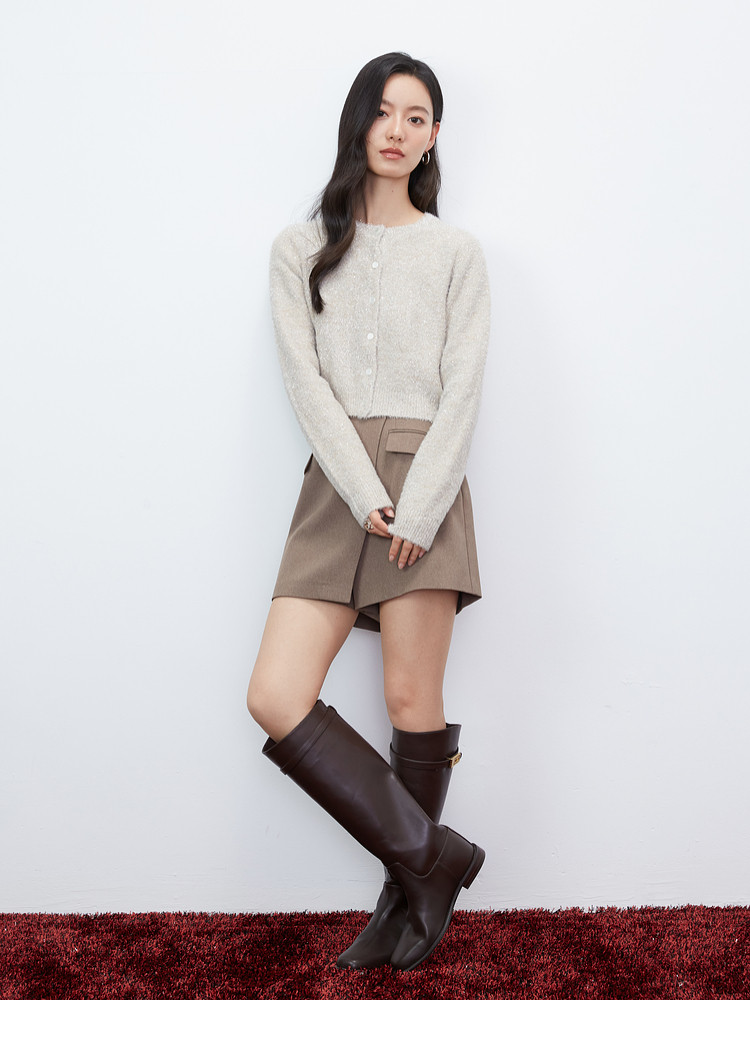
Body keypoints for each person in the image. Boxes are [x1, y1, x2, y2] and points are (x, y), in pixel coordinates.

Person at [247, 51, 491, 972]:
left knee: (410, 700)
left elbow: (463, 390)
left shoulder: (457, 253)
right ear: (358, 120)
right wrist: (364, 492)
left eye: (416, 116)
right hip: (338, 486)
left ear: (434, 136)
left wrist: (419, 506)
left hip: (428, 481)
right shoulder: (299, 247)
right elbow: (305, 384)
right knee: (275, 694)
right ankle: (436, 860)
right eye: (384, 111)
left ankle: (407, 898)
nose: (397, 130)